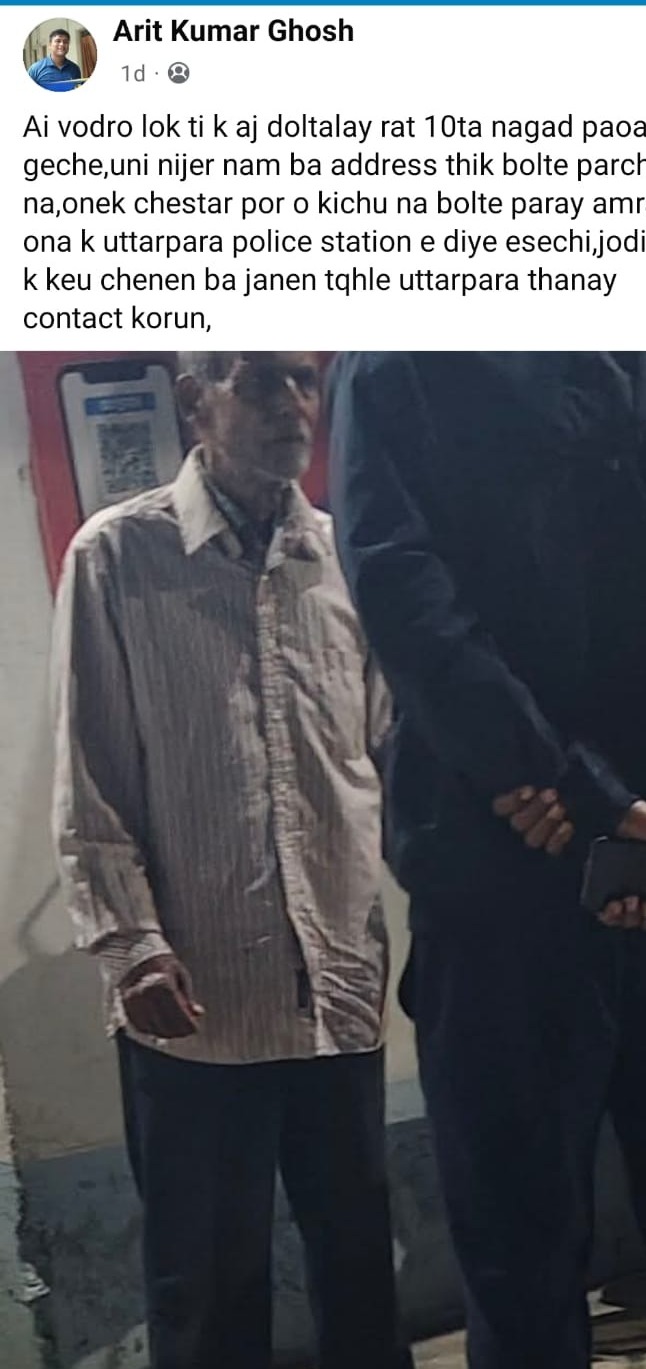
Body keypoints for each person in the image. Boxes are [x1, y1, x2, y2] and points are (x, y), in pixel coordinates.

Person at [328, 351, 646, 1369]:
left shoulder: (397, 353)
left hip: (513, 841)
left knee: (529, 1247)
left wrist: (568, 787)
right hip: (634, 860)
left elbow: (406, 587)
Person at [51, 351, 412, 1369]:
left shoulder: (346, 557)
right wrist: (131, 945)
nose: (291, 406)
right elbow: (92, 772)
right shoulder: (118, 556)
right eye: (258, 382)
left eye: (305, 382)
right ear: (192, 400)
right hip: (194, 997)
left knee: (360, 1266)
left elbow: (389, 753)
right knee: (206, 1286)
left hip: (336, 980)